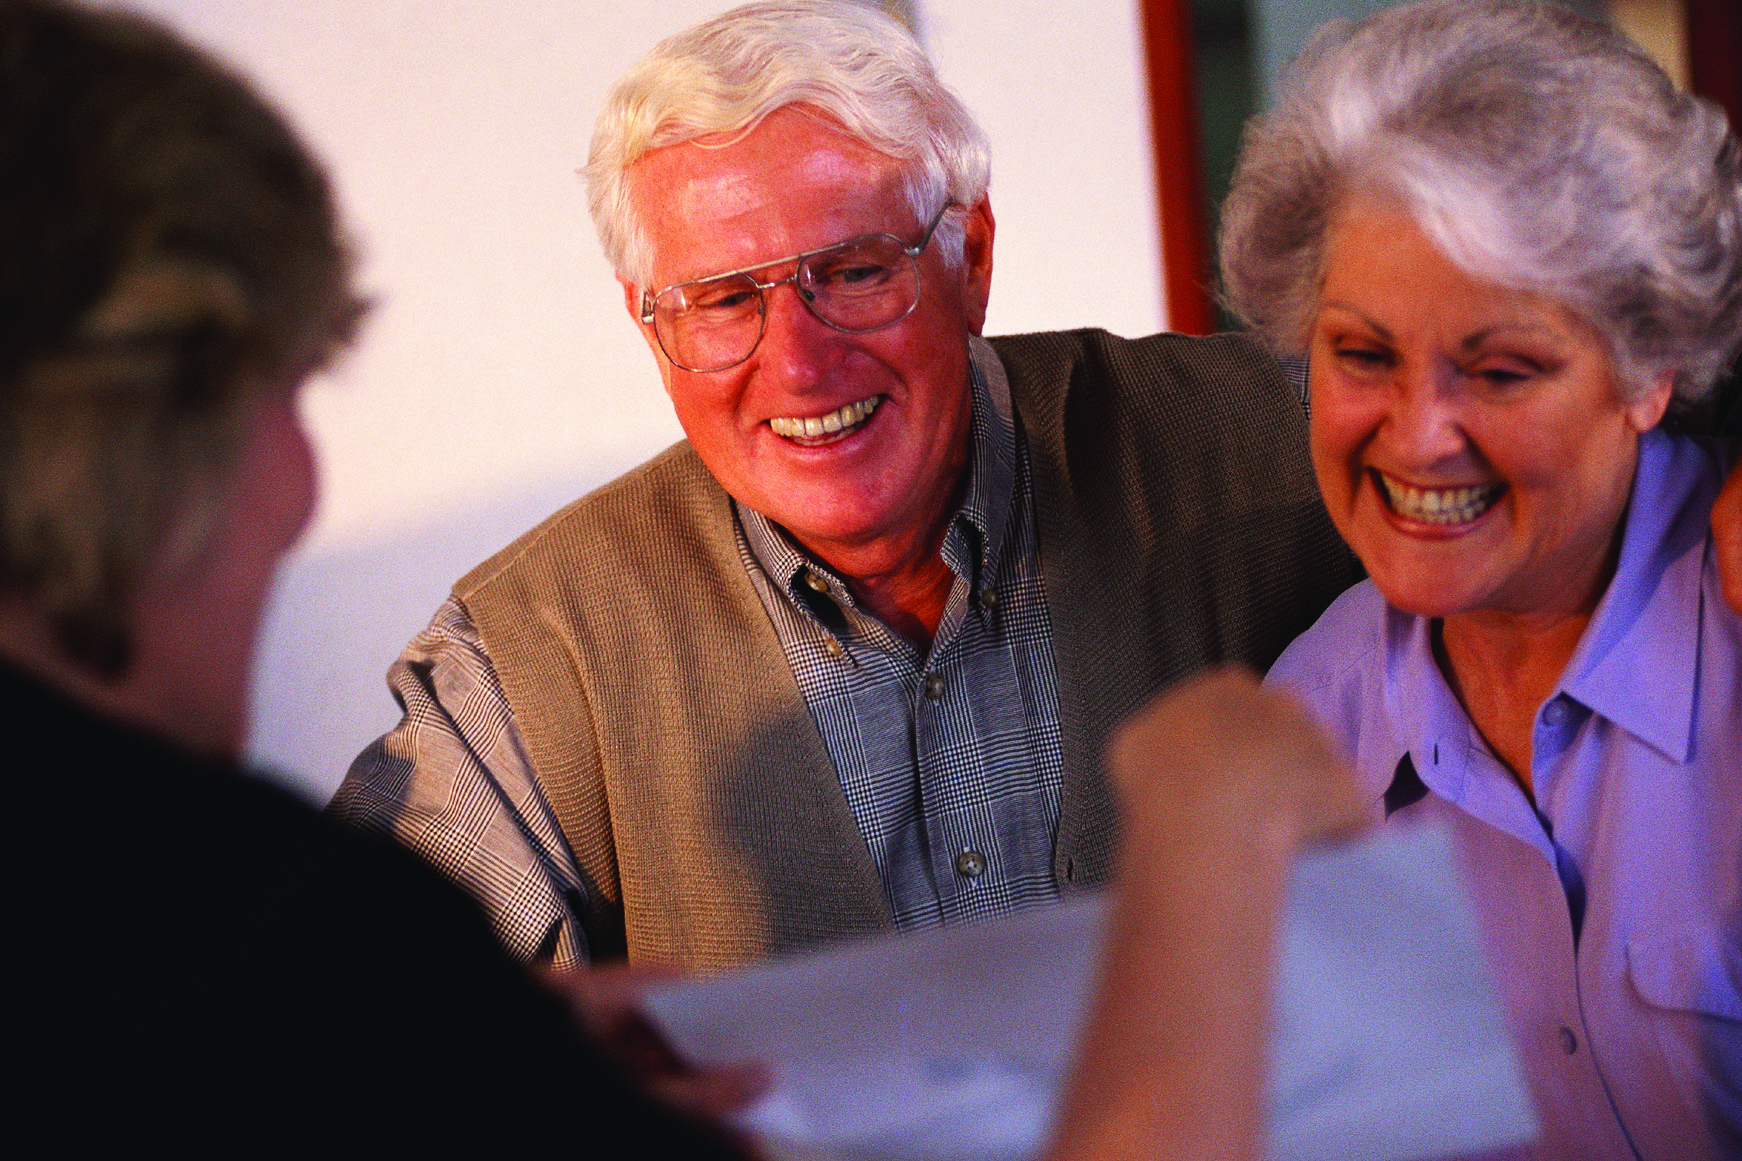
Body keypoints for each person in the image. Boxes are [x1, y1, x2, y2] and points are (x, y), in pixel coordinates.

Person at [328, 0, 1362, 971]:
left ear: (971, 259)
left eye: (856, 271)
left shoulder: (1293, 444)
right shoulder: (527, 660)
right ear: (651, 328)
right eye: (722, 301)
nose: (797, 365)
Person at [0, 1, 751, 1151]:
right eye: (289, 390)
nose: (305, 489)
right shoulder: (268, 940)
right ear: (145, 423)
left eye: (853, 270)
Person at [1222, 1, 1741, 1157]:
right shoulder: (1305, 723)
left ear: (1648, 369)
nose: (1416, 440)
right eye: (1362, 354)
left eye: (1500, 369)